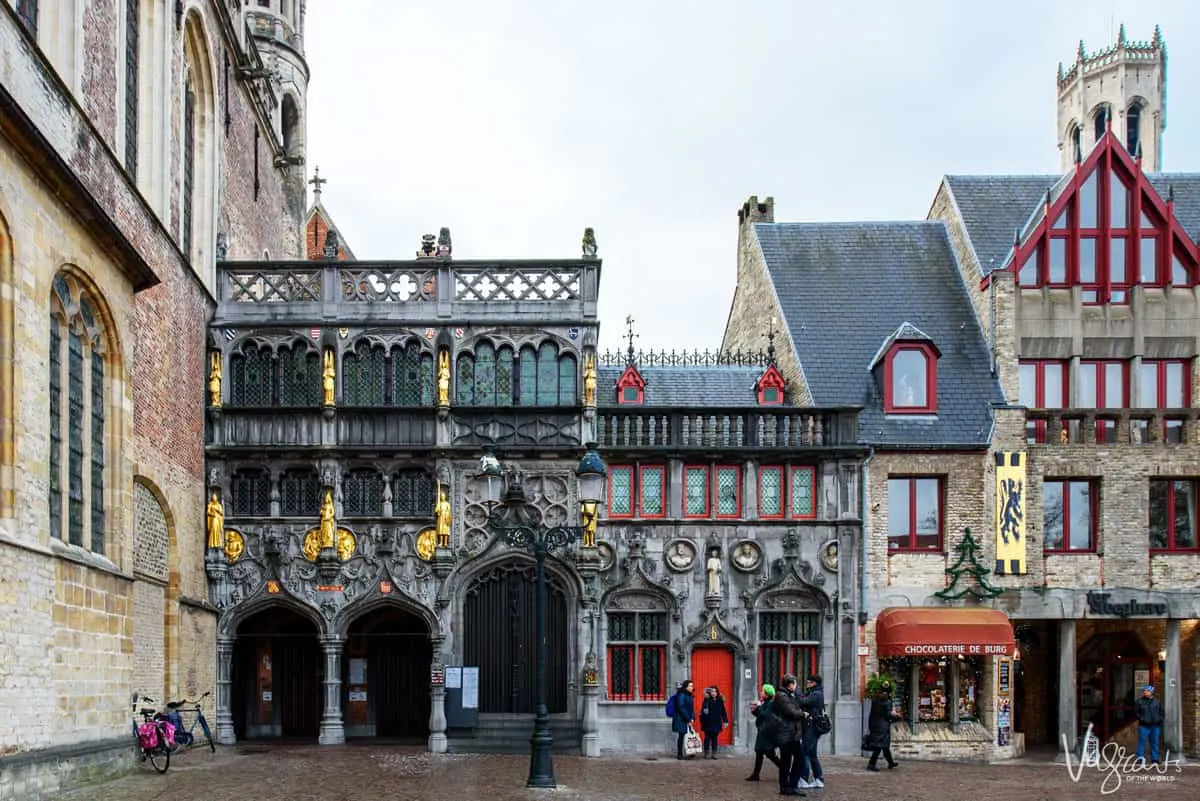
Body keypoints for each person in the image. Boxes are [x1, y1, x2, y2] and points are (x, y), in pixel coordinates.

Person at [771, 674, 807, 796]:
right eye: (795, 684)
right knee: (796, 760)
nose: (796, 686)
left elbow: (798, 704)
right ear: (790, 684)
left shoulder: (788, 695)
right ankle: (789, 786)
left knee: (788, 761)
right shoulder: (781, 696)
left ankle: (788, 787)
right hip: (786, 734)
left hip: (791, 733)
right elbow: (791, 712)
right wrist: (803, 714)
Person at [795, 674, 826, 789]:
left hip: (811, 728)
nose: (807, 684)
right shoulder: (814, 693)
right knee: (812, 755)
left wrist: (796, 690)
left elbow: (803, 702)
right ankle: (819, 779)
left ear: (814, 683)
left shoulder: (816, 694)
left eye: (809, 682)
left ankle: (803, 779)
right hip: (811, 727)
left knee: (805, 753)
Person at [746, 684, 782, 781]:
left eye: (763, 691)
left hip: (767, 733)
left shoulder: (770, 703)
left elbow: (765, 715)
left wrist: (758, 707)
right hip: (762, 731)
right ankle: (755, 774)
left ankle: (785, 769)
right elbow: (759, 714)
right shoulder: (765, 703)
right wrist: (754, 710)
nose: (761, 693)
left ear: (767, 694)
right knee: (759, 752)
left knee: (770, 754)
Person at [865, 681, 899, 771]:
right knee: (879, 746)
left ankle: (890, 762)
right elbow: (888, 715)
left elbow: (872, 713)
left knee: (884, 746)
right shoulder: (887, 702)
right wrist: (896, 717)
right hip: (883, 727)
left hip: (875, 724)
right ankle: (871, 764)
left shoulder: (875, 700)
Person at [1135, 685, 1164, 765]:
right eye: (1144, 690)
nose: (1145, 692)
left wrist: (1159, 720)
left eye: (1147, 690)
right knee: (1142, 742)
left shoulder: (1157, 702)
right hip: (1144, 725)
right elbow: (1136, 713)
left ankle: (1154, 759)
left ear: (1151, 692)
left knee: (1154, 743)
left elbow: (1161, 712)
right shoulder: (1139, 701)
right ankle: (1140, 758)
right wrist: (1141, 719)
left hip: (1155, 726)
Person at [699, 686, 729, 759]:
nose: (713, 693)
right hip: (708, 722)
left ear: (717, 692)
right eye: (712, 691)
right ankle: (706, 752)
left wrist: (725, 721)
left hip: (716, 722)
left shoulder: (719, 700)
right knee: (707, 737)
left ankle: (714, 753)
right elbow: (703, 710)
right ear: (710, 692)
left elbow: (723, 711)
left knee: (715, 738)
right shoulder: (707, 700)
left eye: (715, 691)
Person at [671, 679, 696, 760]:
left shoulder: (689, 695)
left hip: (687, 718)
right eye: (690, 686)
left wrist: (692, 717)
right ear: (686, 687)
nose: (692, 687)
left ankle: (690, 751)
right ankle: (680, 753)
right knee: (682, 736)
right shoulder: (681, 695)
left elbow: (691, 708)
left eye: (692, 686)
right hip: (681, 718)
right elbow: (681, 707)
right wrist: (688, 719)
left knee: (690, 735)